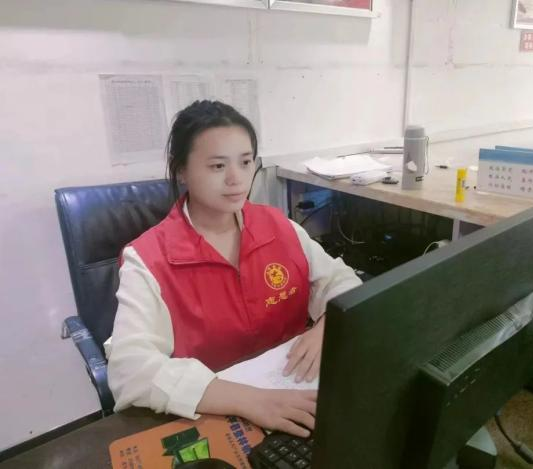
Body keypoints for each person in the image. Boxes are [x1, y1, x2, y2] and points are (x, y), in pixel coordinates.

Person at [105, 100, 362, 438]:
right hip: (213, 414)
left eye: (245, 162)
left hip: (296, 395)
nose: (236, 179)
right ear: (182, 171)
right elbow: (129, 370)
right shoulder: (148, 259)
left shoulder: (279, 226)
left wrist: (327, 327)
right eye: (217, 166)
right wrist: (249, 400)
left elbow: (343, 282)